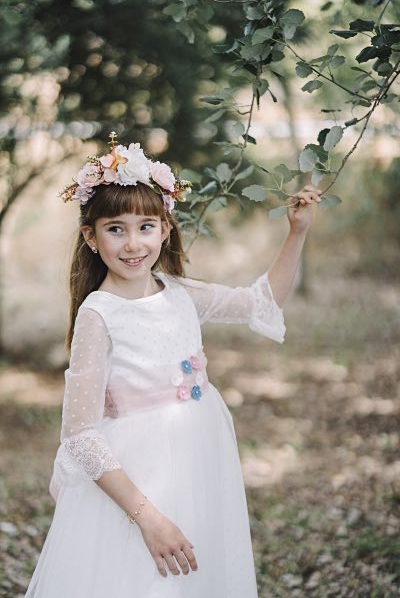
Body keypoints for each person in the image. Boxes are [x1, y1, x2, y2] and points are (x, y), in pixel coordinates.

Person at [25, 133, 321, 598]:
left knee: (196, 578)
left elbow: (259, 302)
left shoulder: (179, 293)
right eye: (115, 229)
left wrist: (297, 232)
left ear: (164, 229)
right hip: (137, 480)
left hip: (199, 459)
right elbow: (80, 435)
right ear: (90, 236)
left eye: (145, 226)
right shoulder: (98, 315)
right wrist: (149, 519)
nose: (132, 243)